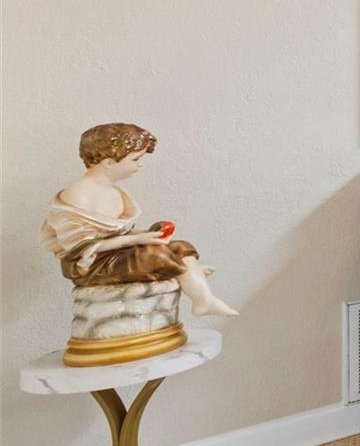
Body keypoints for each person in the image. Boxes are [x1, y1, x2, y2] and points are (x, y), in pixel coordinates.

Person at [39, 123, 237, 317]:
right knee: (156, 254)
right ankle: (181, 270)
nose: (140, 165)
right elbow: (79, 245)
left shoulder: (113, 191)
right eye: (135, 159)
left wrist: (142, 234)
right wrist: (135, 240)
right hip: (91, 264)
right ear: (108, 162)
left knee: (180, 247)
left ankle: (203, 298)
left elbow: (116, 232)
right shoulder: (78, 194)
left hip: (114, 254)